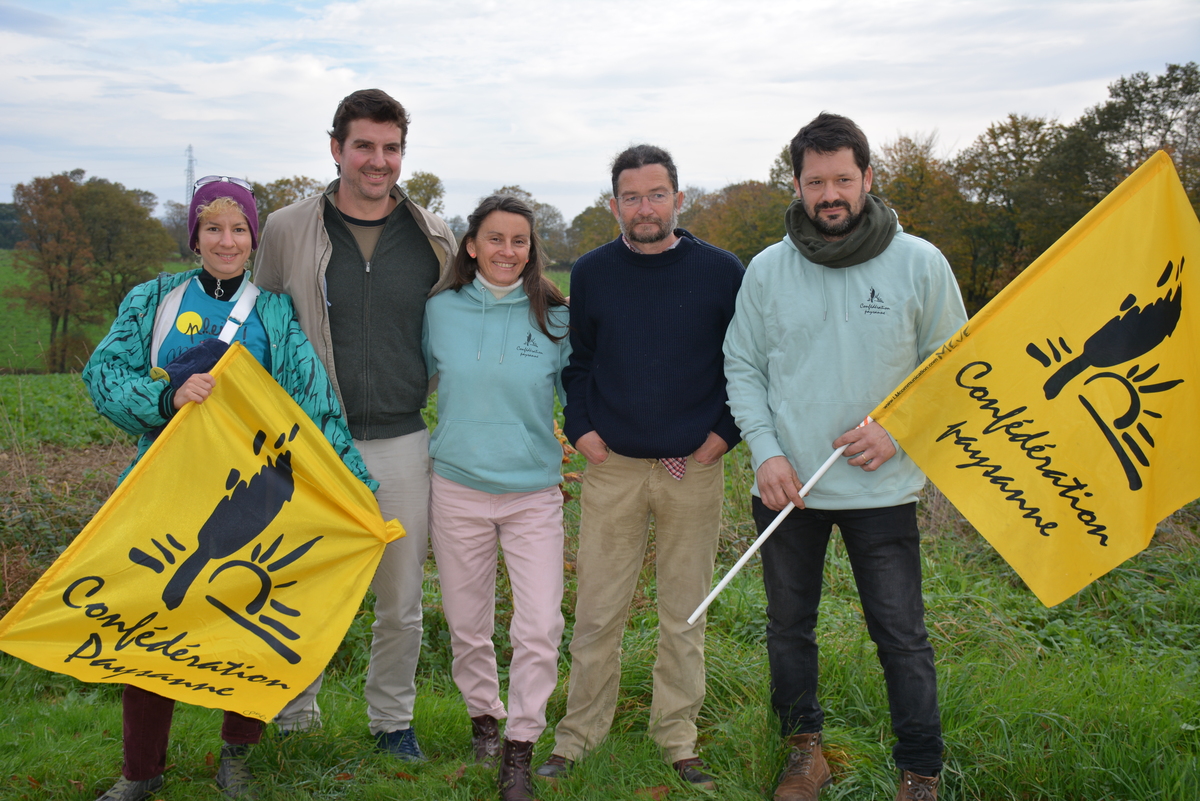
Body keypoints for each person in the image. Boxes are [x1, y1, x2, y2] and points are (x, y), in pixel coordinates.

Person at [82, 176, 375, 801]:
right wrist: (166, 396)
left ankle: (237, 757)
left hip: (252, 493)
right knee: (150, 616)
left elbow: (312, 401)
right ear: (194, 236)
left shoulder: (271, 309)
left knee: (245, 617)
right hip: (164, 487)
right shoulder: (152, 300)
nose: (227, 240)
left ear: (254, 237)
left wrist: (358, 486)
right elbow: (103, 373)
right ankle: (141, 771)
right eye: (213, 228)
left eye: (239, 228)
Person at [722, 112, 968, 801]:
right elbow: (741, 364)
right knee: (788, 630)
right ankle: (805, 752)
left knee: (901, 635)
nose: (829, 193)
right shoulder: (769, 270)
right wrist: (765, 452)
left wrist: (900, 430)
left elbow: (955, 368)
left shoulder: (919, 262)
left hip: (882, 489)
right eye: (815, 180)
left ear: (866, 178)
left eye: (842, 179)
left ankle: (919, 770)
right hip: (788, 488)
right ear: (796, 184)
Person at [254, 88, 455, 760]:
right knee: (298, 582)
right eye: (363, 146)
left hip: (402, 436)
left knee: (399, 594)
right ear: (336, 147)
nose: (378, 160)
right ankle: (292, 717)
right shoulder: (286, 230)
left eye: (391, 147)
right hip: (308, 442)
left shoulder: (435, 237)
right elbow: (261, 333)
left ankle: (392, 721)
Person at [535, 144, 744, 792]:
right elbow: (579, 363)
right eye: (631, 196)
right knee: (599, 610)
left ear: (679, 199)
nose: (645, 207)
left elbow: (744, 362)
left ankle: (677, 737)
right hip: (615, 466)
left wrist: (720, 438)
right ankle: (578, 736)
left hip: (693, 467)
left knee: (686, 612)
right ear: (613, 204)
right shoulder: (595, 272)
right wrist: (584, 431)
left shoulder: (721, 272)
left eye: (657, 194)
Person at [423, 194, 571, 800]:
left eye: (519, 241)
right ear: (471, 245)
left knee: (539, 625)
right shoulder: (440, 312)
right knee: (467, 625)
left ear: (531, 250)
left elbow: (588, 396)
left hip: (532, 494)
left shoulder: (556, 318)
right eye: (495, 239)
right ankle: (485, 722)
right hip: (456, 487)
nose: (507, 251)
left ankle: (521, 746)